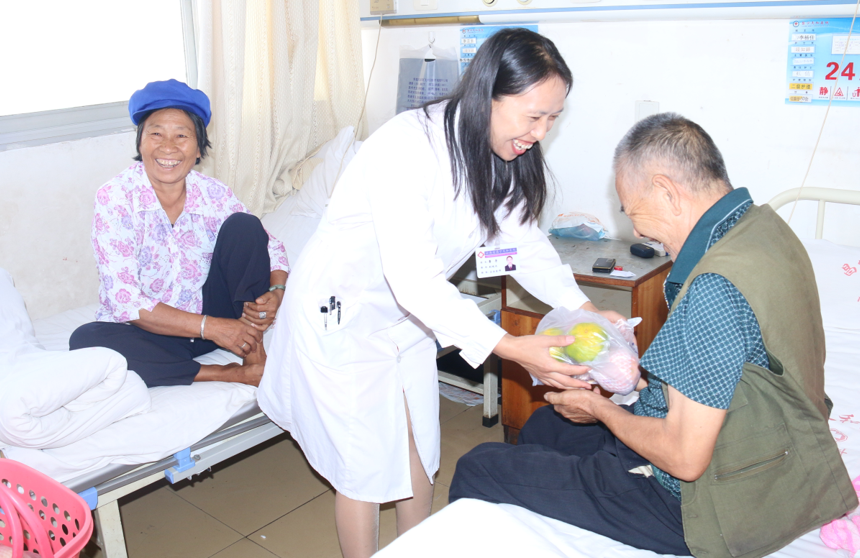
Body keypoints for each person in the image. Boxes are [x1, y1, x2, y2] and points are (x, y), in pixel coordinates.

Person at [258, 29, 625, 558]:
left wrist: (583, 307)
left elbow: (525, 247)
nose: (542, 132)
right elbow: (415, 278)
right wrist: (511, 348)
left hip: (407, 319)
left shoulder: (500, 154)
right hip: (344, 315)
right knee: (365, 467)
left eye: (553, 118)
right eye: (534, 116)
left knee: (418, 452)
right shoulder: (405, 147)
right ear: (488, 96)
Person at [450, 113, 857, 558]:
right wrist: (639, 385)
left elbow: (685, 459)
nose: (637, 231)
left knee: (478, 467)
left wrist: (600, 408)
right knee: (548, 426)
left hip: (705, 503)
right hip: (782, 459)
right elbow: (741, 361)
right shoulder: (765, 232)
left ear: (666, 191)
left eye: (631, 211)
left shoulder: (712, 287)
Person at [70, 80, 290, 388]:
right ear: (140, 143)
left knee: (245, 226)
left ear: (198, 149)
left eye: (182, 136)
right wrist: (213, 328)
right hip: (156, 332)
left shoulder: (214, 194)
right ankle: (224, 373)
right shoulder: (116, 198)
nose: (168, 146)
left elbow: (270, 247)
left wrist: (277, 291)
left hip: (215, 319)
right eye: (156, 133)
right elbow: (125, 301)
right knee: (86, 340)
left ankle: (253, 354)